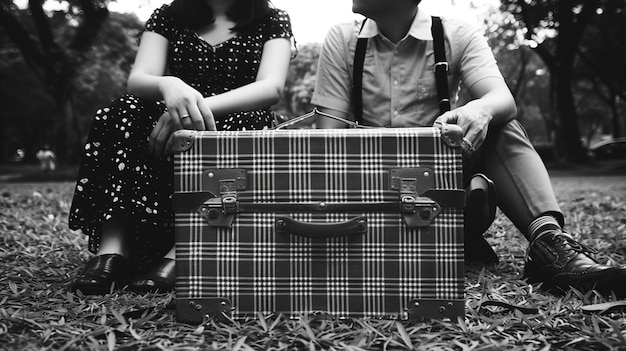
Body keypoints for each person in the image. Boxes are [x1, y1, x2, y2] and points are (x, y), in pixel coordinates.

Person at [312, 0, 626, 298]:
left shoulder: (456, 34)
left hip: (442, 182)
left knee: (500, 121)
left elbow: (500, 98)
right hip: (371, 190)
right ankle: (455, 235)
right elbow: (331, 140)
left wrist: (479, 111)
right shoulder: (342, 40)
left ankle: (549, 244)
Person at [69, 0, 293, 295]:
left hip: (233, 120)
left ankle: (185, 249)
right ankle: (113, 249)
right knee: (124, 109)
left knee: (249, 122)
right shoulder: (168, 16)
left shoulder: (272, 19)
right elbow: (138, 79)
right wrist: (169, 85)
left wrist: (195, 110)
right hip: (169, 124)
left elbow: (270, 87)